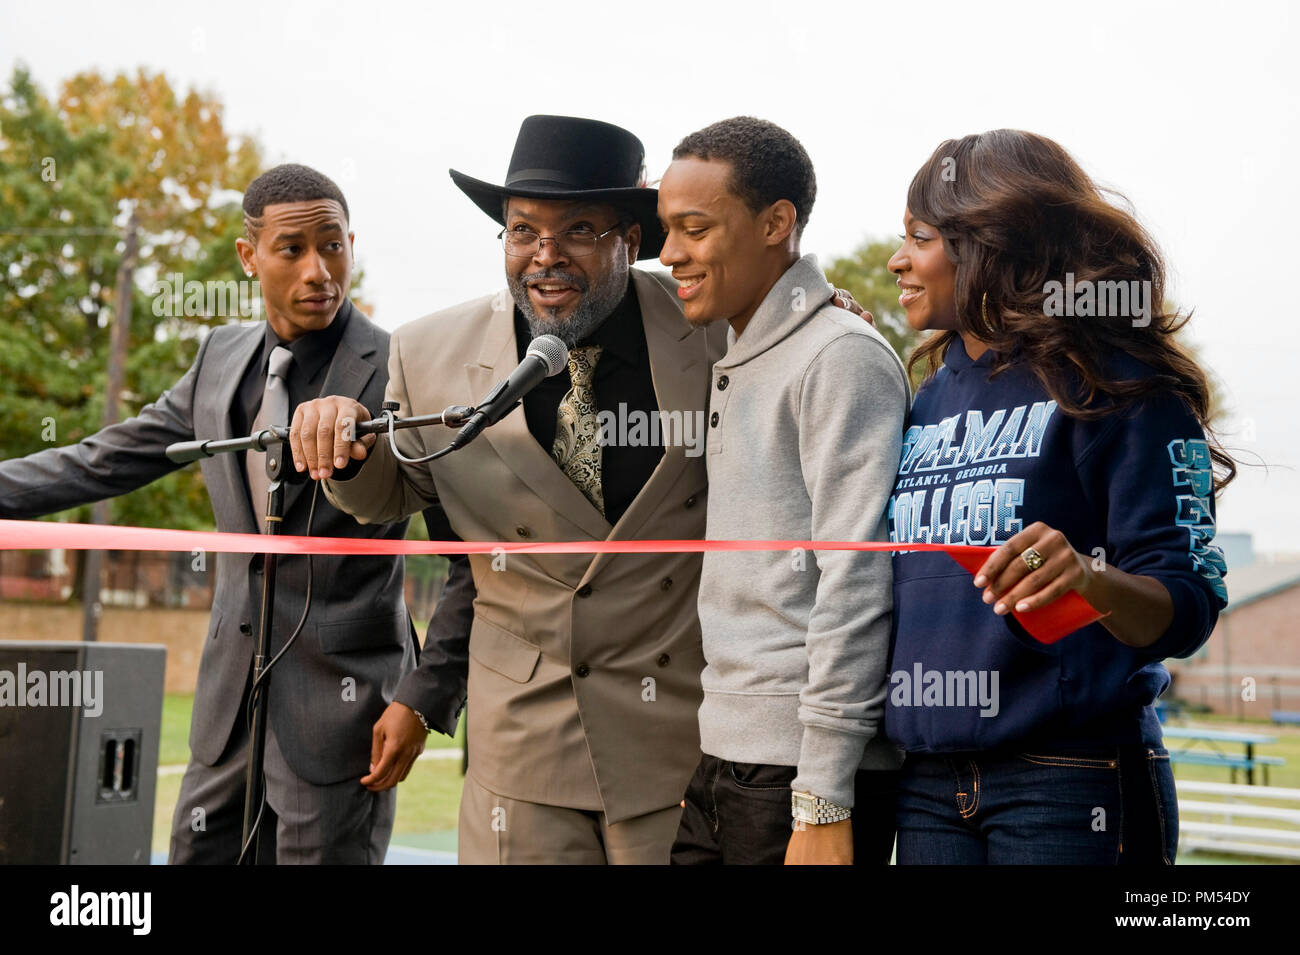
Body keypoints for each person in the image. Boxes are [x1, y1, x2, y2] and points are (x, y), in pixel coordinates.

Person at [291, 116, 731, 864]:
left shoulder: (719, 334)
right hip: (522, 751)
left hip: (678, 746)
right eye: (523, 230)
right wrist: (345, 438)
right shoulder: (428, 353)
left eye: (580, 229)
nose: (545, 256)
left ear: (632, 236)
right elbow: (389, 493)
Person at [0, 164, 432, 864]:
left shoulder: (403, 367)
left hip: (346, 719)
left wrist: (421, 697)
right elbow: (98, 460)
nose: (319, 269)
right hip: (225, 715)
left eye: (333, 244)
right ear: (248, 256)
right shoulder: (216, 359)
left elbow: (464, 547)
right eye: (292, 250)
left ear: (352, 242)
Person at [883, 130, 1232, 864]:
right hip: (927, 783)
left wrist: (1089, 577)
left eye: (919, 236)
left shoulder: (1123, 386)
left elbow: (1189, 601)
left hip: (1070, 780)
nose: (897, 259)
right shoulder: (925, 396)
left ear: (989, 243)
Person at [655, 117, 908, 865]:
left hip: (804, 774)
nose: (670, 253)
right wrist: (713, 762)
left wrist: (822, 793)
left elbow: (857, 579)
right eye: (667, 228)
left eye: (694, 228)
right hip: (727, 763)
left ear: (776, 223)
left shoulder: (840, 358)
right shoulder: (741, 350)